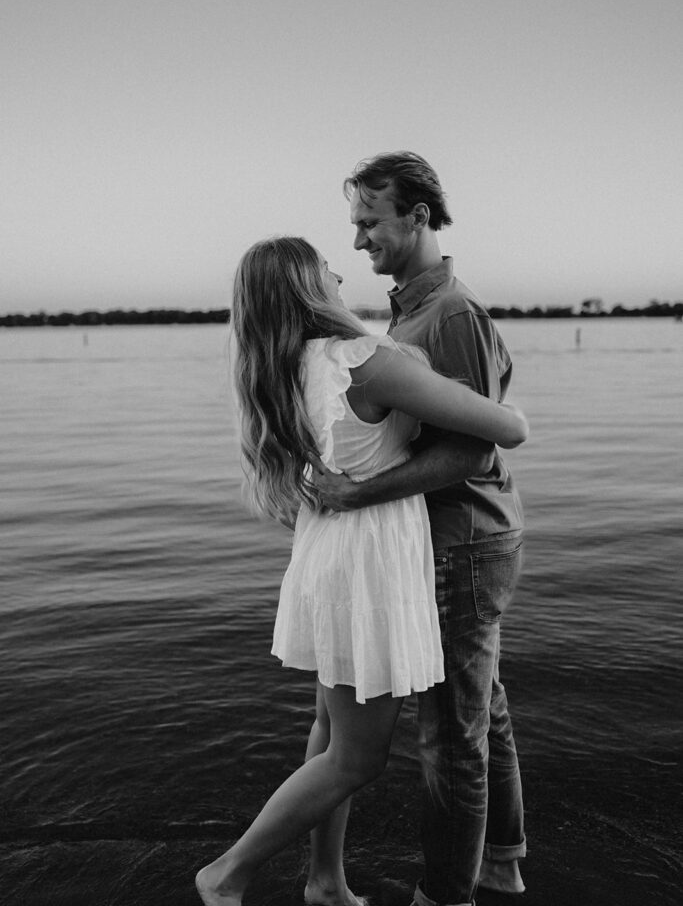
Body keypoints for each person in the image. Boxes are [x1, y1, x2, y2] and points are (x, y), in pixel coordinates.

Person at [195, 236, 528, 906]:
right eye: (324, 265)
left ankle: (325, 882)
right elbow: (506, 428)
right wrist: (492, 397)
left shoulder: (281, 366)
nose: (340, 268)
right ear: (306, 285)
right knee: (356, 757)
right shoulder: (364, 363)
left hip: (326, 557)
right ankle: (226, 874)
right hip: (369, 567)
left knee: (328, 730)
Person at [310, 152, 527, 906]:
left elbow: (472, 449)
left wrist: (358, 492)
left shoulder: (451, 314)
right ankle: (501, 859)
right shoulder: (408, 309)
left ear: (418, 216)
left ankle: (445, 897)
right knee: (482, 709)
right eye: (355, 224)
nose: (359, 239)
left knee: (450, 738)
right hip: (453, 539)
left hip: (463, 540)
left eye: (369, 221)